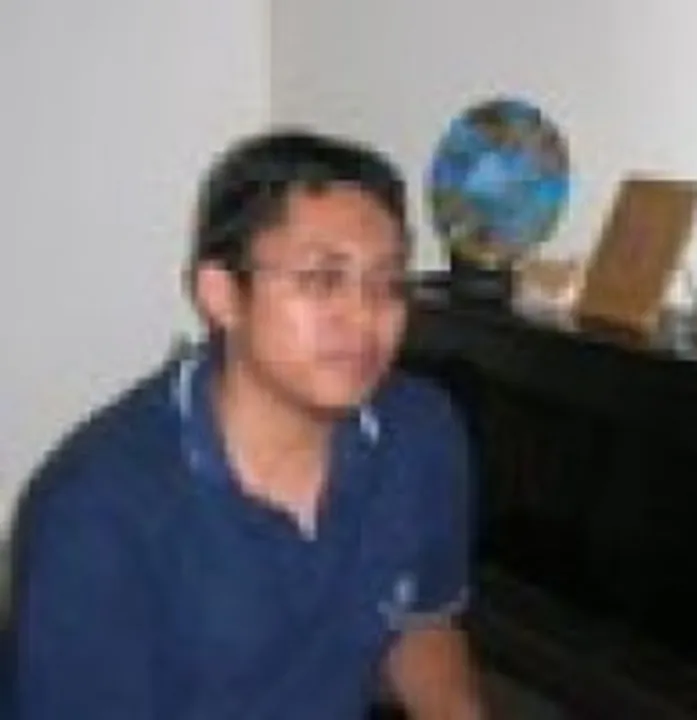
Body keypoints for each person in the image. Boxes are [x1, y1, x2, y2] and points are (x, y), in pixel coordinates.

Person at [10, 129, 486, 719]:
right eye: (321, 280)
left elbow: (420, 622)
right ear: (221, 295)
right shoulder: (97, 512)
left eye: (387, 283)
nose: (365, 317)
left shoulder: (420, 432)